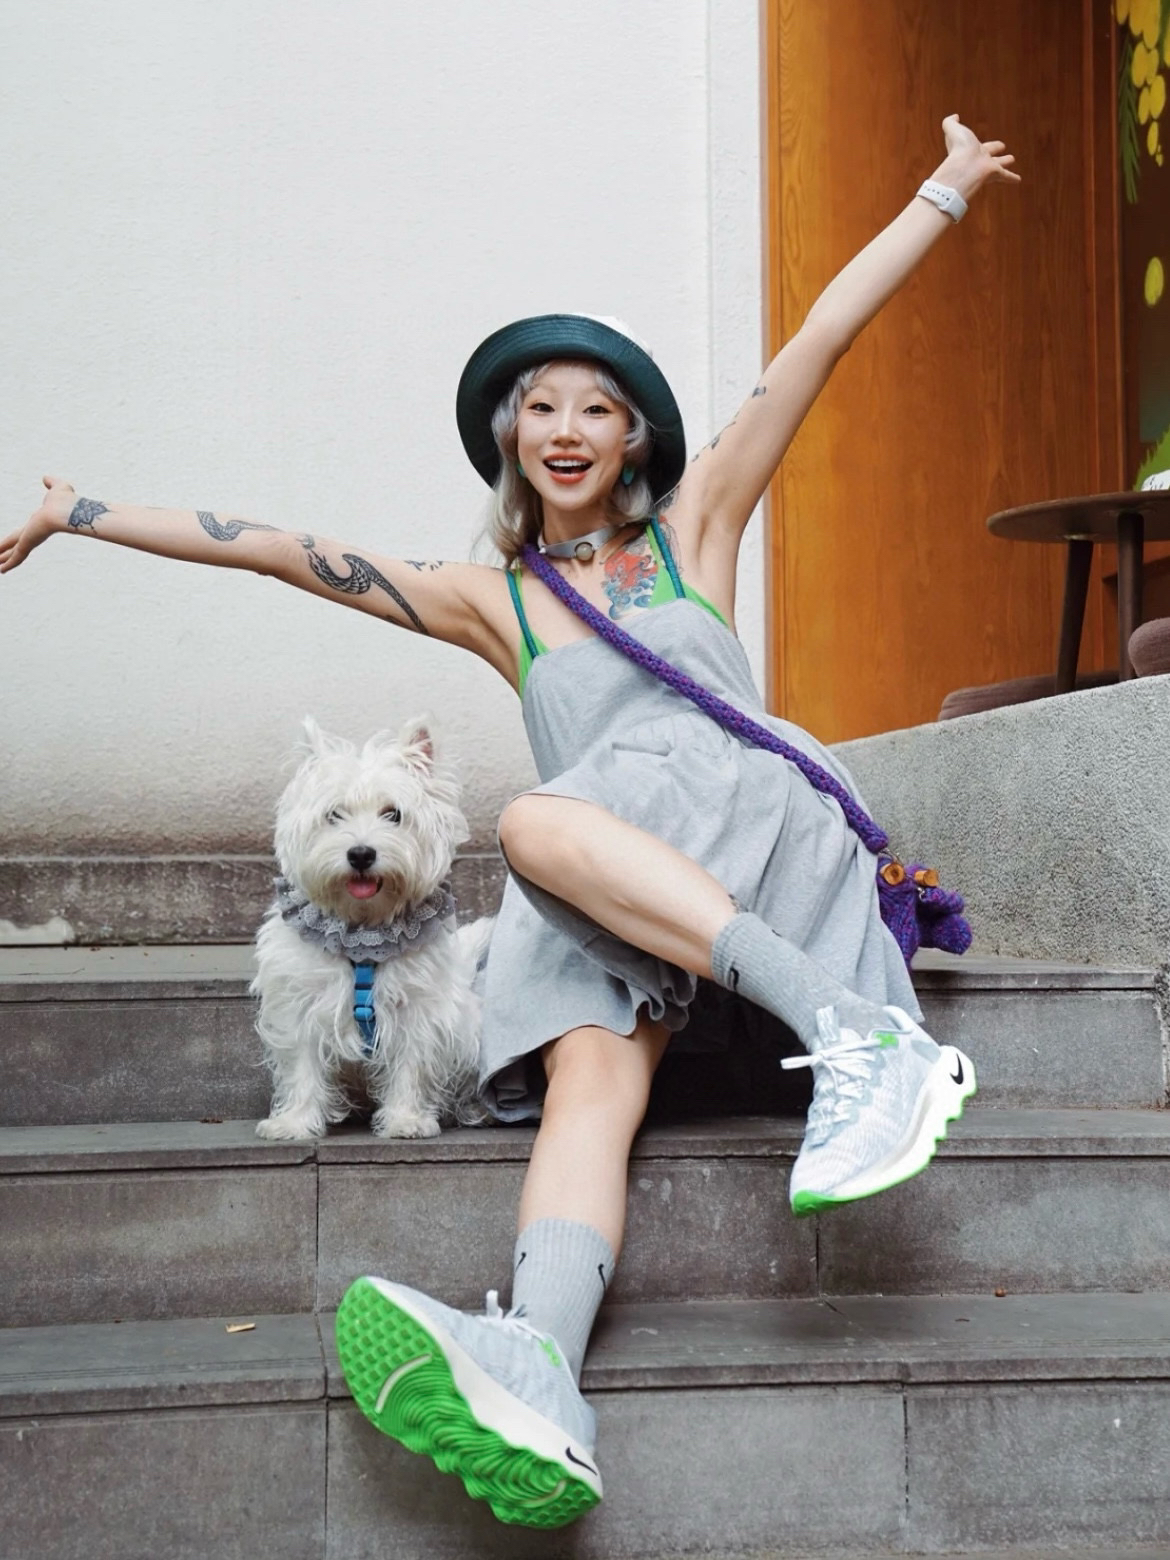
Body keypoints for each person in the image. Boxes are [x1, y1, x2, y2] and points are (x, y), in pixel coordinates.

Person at [1, 113, 1018, 1530]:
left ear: (634, 436)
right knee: (588, 1083)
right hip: (622, 888)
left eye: (596, 407)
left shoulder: (694, 533)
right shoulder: (496, 602)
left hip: (741, 824)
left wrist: (940, 192)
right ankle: (541, 1369)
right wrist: (81, 511)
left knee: (532, 824)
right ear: (511, 437)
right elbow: (287, 552)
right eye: (541, 406)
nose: (567, 429)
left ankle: (857, 1035)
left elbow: (815, 347)